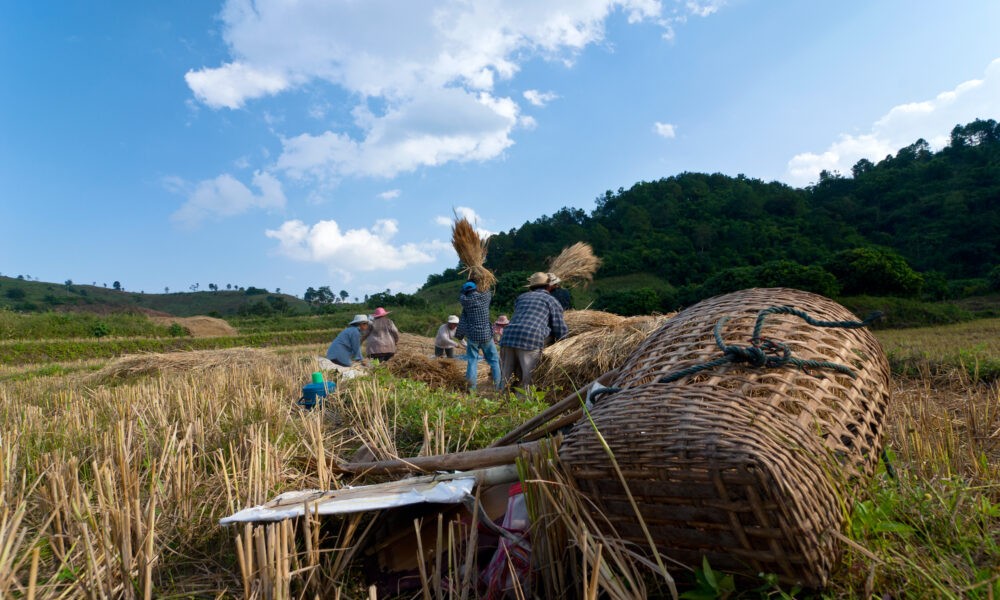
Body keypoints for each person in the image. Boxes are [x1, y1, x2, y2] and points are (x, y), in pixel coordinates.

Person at [499, 272, 569, 393]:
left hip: (508, 336)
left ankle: (499, 400)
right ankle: (525, 406)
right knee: (529, 377)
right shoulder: (551, 300)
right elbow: (559, 327)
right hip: (530, 337)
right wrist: (565, 342)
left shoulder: (522, 297)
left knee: (505, 376)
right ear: (549, 286)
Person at [457, 280, 501, 391]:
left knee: (472, 361)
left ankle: (471, 389)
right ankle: (498, 388)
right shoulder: (485, 298)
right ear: (476, 289)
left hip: (473, 337)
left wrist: (459, 336)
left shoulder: (465, 303)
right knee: (494, 361)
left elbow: (462, 321)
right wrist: (481, 280)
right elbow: (487, 289)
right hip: (486, 335)